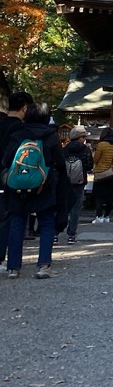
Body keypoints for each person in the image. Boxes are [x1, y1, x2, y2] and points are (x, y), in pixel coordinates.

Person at [2, 102, 64, 278]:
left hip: (18, 186)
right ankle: (43, 265)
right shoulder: (51, 137)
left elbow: (6, 161)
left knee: (17, 224)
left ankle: (13, 268)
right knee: (46, 224)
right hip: (44, 186)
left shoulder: (17, 134)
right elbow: (59, 162)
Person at [0, 91, 33, 270]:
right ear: (25, 108)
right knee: (9, 218)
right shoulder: (22, 130)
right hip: (12, 176)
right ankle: (3, 257)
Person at [63, 126, 93, 243]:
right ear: (80, 138)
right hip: (79, 182)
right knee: (76, 209)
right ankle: (71, 235)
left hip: (66, 182)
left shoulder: (65, 149)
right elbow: (89, 165)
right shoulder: (85, 149)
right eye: (84, 137)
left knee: (63, 207)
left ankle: (55, 233)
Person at [90, 127, 113, 223]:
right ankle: (107, 216)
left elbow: (95, 159)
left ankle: (99, 216)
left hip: (100, 173)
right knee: (109, 196)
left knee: (98, 196)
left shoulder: (101, 145)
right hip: (112, 173)